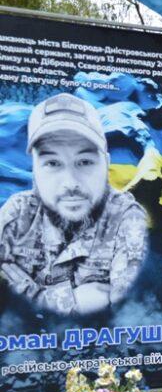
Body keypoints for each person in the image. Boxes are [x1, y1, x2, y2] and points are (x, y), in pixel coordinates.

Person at [0, 92, 148, 315]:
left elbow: (123, 305)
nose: (70, 182)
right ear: (34, 171)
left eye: (85, 161)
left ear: (106, 164)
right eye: (52, 163)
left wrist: (32, 295)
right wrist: (62, 300)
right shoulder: (18, 213)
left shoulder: (125, 217)